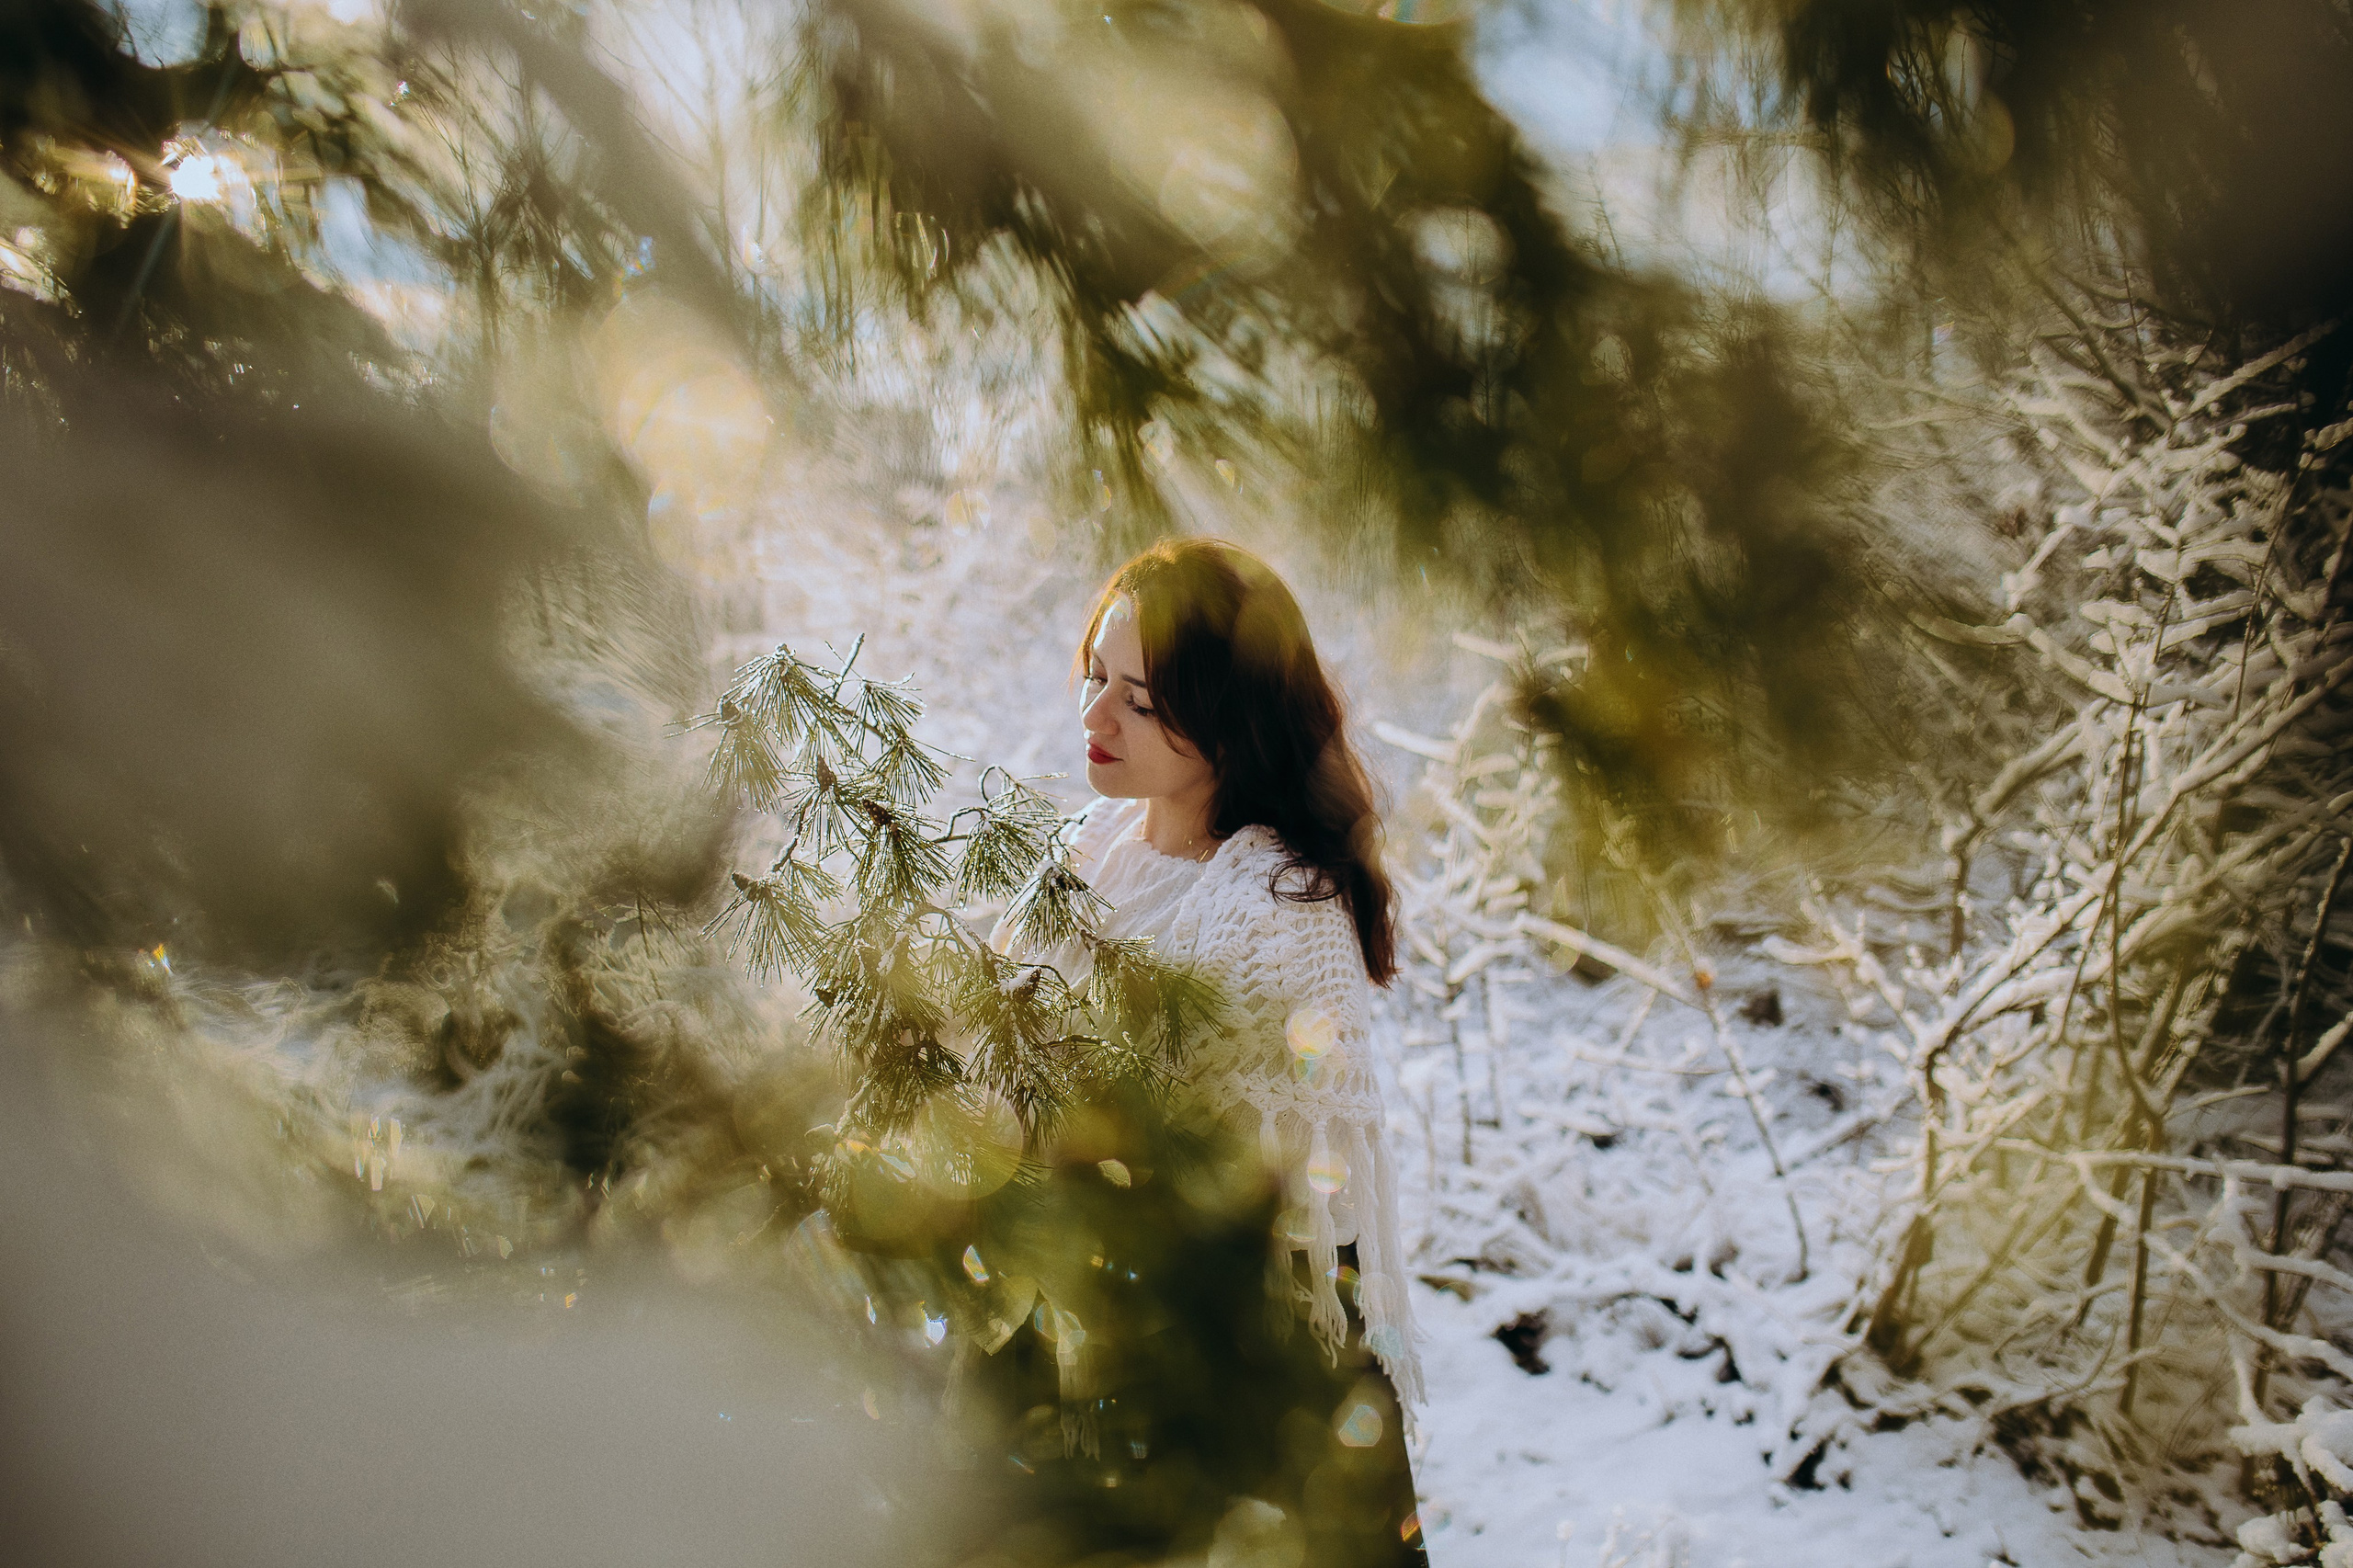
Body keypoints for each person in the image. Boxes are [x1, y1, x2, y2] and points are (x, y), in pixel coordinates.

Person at [999, 537, 1426, 1561]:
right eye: (1096, 675)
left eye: (1140, 701)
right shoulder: (1090, 851)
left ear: (1233, 726)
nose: (1094, 716)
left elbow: (1255, 1206)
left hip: (1223, 1370)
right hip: (1062, 1321)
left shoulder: (1277, 910)